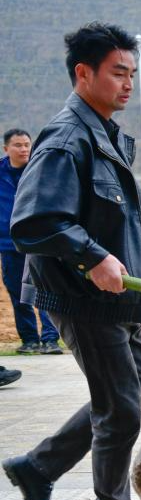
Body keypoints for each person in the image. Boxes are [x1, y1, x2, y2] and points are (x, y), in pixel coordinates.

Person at [2, 22, 141, 500]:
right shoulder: (66, 139)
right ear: (84, 73)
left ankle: (38, 467)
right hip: (82, 296)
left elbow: (128, 221)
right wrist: (92, 257)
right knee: (120, 407)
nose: (128, 84)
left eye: (132, 74)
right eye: (118, 73)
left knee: (132, 397)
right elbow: (33, 222)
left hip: (120, 297)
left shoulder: (105, 135)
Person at [2, 129, 62, 356]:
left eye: (27, 144)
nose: (24, 149)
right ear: (6, 148)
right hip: (9, 245)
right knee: (18, 293)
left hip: (40, 242)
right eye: (18, 145)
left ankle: (50, 339)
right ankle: (29, 340)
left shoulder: (40, 169)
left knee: (44, 290)